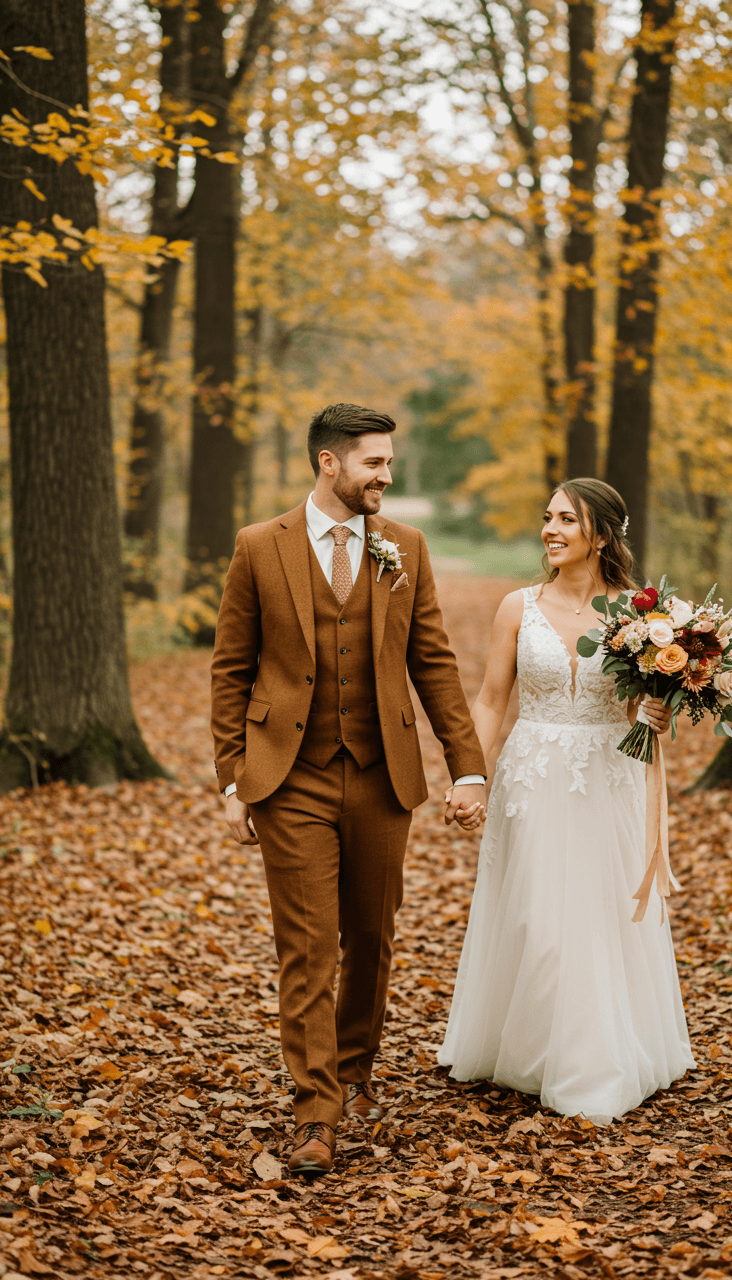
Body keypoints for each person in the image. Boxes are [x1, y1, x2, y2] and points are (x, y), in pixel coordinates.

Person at [211, 403, 487, 1177]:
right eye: (374, 462)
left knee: (371, 935)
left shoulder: (406, 547)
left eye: (389, 462)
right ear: (329, 462)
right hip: (286, 777)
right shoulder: (259, 547)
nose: (386, 476)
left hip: (379, 773)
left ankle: (355, 1065)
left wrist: (466, 764)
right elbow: (231, 668)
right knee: (306, 946)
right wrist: (234, 777)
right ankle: (315, 1111)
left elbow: (433, 663)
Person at [438, 478, 695, 1123]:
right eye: (547, 517)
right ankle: (525, 1048)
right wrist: (472, 775)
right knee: (537, 917)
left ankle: (594, 1060)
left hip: (610, 777)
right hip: (533, 776)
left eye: (566, 521)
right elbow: (494, 701)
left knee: (603, 916)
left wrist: (652, 716)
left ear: (602, 536)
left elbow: (645, 703)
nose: (550, 530)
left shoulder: (644, 620)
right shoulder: (516, 607)